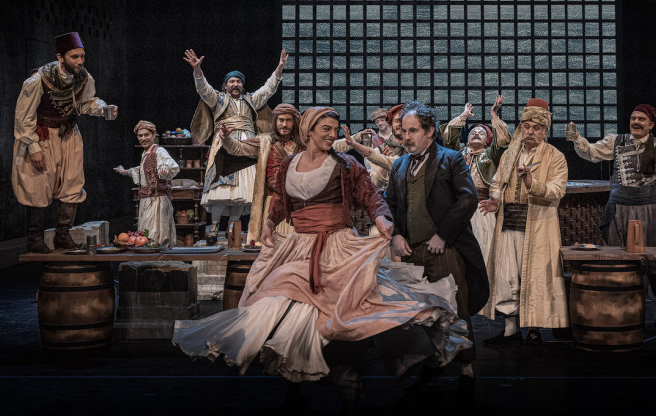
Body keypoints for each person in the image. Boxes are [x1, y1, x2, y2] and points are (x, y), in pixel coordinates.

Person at [173, 107, 471, 412]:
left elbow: (371, 196)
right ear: (309, 131)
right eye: (325, 129)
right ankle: (295, 383)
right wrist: (270, 223)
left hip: (337, 245)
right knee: (290, 313)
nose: (332, 134)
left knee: (341, 311)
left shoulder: (345, 164)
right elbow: (282, 200)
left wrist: (381, 217)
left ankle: (348, 381)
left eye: (335, 129)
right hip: (299, 246)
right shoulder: (289, 164)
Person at [385, 101, 489, 393]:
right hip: (411, 251)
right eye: (404, 131)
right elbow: (389, 203)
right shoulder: (399, 164)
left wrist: (443, 235)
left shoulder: (451, 158)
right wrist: (395, 235)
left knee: (454, 307)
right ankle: (430, 362)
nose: (406, 137)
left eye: (413, 131)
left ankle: (466, 367)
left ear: (430, 131)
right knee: (420, 312)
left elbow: (468, 198)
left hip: (444, 249)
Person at [565, 104, 656, 327]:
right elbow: (591, 153)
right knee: (616, 256)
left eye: (641, 119)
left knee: (650, 259)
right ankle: (618, 307)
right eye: (633, 118)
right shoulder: (616, 141)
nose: (636, 122)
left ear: (651, 125)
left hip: (645, 209)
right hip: (617, 208)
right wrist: (577, 138)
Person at [12, 32, 118, 253]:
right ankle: (34, 238)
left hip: (69, 133)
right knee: (38, 184)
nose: (80, 61)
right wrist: (33, 147)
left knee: (72, 182)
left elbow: (86, 102)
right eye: (74, 57)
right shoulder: (39, 80)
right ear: (60, 57)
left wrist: (102, 108)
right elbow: (23, 117)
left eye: (82, 56)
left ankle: (62, 235)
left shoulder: (83, 77)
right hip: (43, 135)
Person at [479, 98, 569, 345]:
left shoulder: (555, 156)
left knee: (533, 277)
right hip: (509, 223)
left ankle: (533, 329)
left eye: (536, 128)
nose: (530, 131)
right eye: (526, 126)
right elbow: (496, 182)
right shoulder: (510, 154)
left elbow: (558, 190)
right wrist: (496, 200)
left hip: (537, 225)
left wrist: (532, 183)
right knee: (507, 277)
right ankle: (510, 330)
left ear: (545, 131)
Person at [183, 48, 289, 244]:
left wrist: (279, 69)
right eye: (231, 81)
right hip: (224, 143)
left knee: (243, 191)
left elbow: (268, 90)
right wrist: (197, 70)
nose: (235, 84)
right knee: (220, 188)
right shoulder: (218, 99)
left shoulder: (250, 100)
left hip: (247, 144)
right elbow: (203, 89)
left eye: (238, 81)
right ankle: (214, 226)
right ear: (225, 86)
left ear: (242, 85)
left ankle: (233, 226)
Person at [218, 103, 305, 243]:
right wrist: (227, 139)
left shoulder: (303, 145)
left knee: (297, 245)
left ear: (294, 122)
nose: (284, 124)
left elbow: (331, 147)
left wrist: (347, 139)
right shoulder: (265, 142)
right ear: (275, 121)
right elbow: (238, 148)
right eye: (281, 120)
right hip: (274, 201)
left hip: (298, 203)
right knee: (273, 244)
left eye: (288, 120)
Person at [440, 96, 510, 266]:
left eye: (481, 133)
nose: (477, 134)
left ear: (487, 141)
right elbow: (448, 137)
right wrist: (464, 116)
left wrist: (494, 115)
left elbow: (503, 141)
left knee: (484, 247)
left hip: (482, 208)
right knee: (457, 251)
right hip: (458, 208)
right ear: (467, 139)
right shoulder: (458, 153)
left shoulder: (490, 155)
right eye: (473, 133)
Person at [114, 121, 180, 247]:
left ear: (153, 135)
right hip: (147, 199)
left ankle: (161, 257)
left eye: (146, 135)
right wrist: (125, 172)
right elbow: (142, 171)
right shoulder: (146, 153)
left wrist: (165, 167)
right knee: (146, 235)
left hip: (157, 201)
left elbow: (169, 163)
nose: (143, 138)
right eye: (140, 136)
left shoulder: (159, 151)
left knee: (157, 235)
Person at [342, 104, 407, 190]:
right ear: (391, 124)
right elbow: (374, 181)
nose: (380, 123)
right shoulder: (375, 142)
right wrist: (383, 166)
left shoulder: (414, 147)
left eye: (382, 120)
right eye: (377, 122)